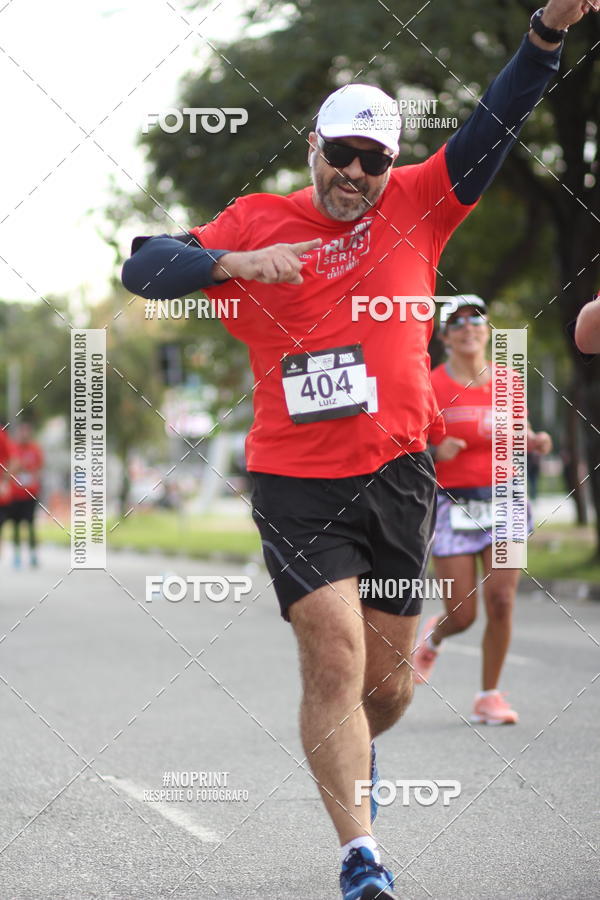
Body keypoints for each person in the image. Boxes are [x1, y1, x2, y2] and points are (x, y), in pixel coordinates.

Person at [121, 5, 594, 896]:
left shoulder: (420, 203)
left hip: (398, 479)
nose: (357, 173)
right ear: (315, 146)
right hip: (295, 479)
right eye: (343, 153)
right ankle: (359, 854)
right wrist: (234, 266)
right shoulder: (257, 221)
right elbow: (143, 266)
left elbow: (497, 121)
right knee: (333, 653)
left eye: (375, 160)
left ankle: (361, 754)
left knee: (385, 691)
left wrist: (544, 33)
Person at [412, 298, 552, 724]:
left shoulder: (509, 381)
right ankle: (434, 638)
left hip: (505, 500)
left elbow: (518, 432)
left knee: (502, 600)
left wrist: (535, 441)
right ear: (444, 337)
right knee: (463, 614)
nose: (468, 327)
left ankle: (489, 695)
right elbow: (408, 444)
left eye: (476, 319)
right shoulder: (430, 384)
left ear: (487, 330)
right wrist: (436, 449)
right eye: (457, 323)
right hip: (453, 503)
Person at [8, 422, 44, 568]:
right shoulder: (13, 448)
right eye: (21, 432)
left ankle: (33, 554)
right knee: (15, 525)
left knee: (31, 524)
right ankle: (17, 555)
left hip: (30, 493)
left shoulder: (35, 449)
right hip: (15, 493)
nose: (24, 434)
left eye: (26, 432)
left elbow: (40, 468)